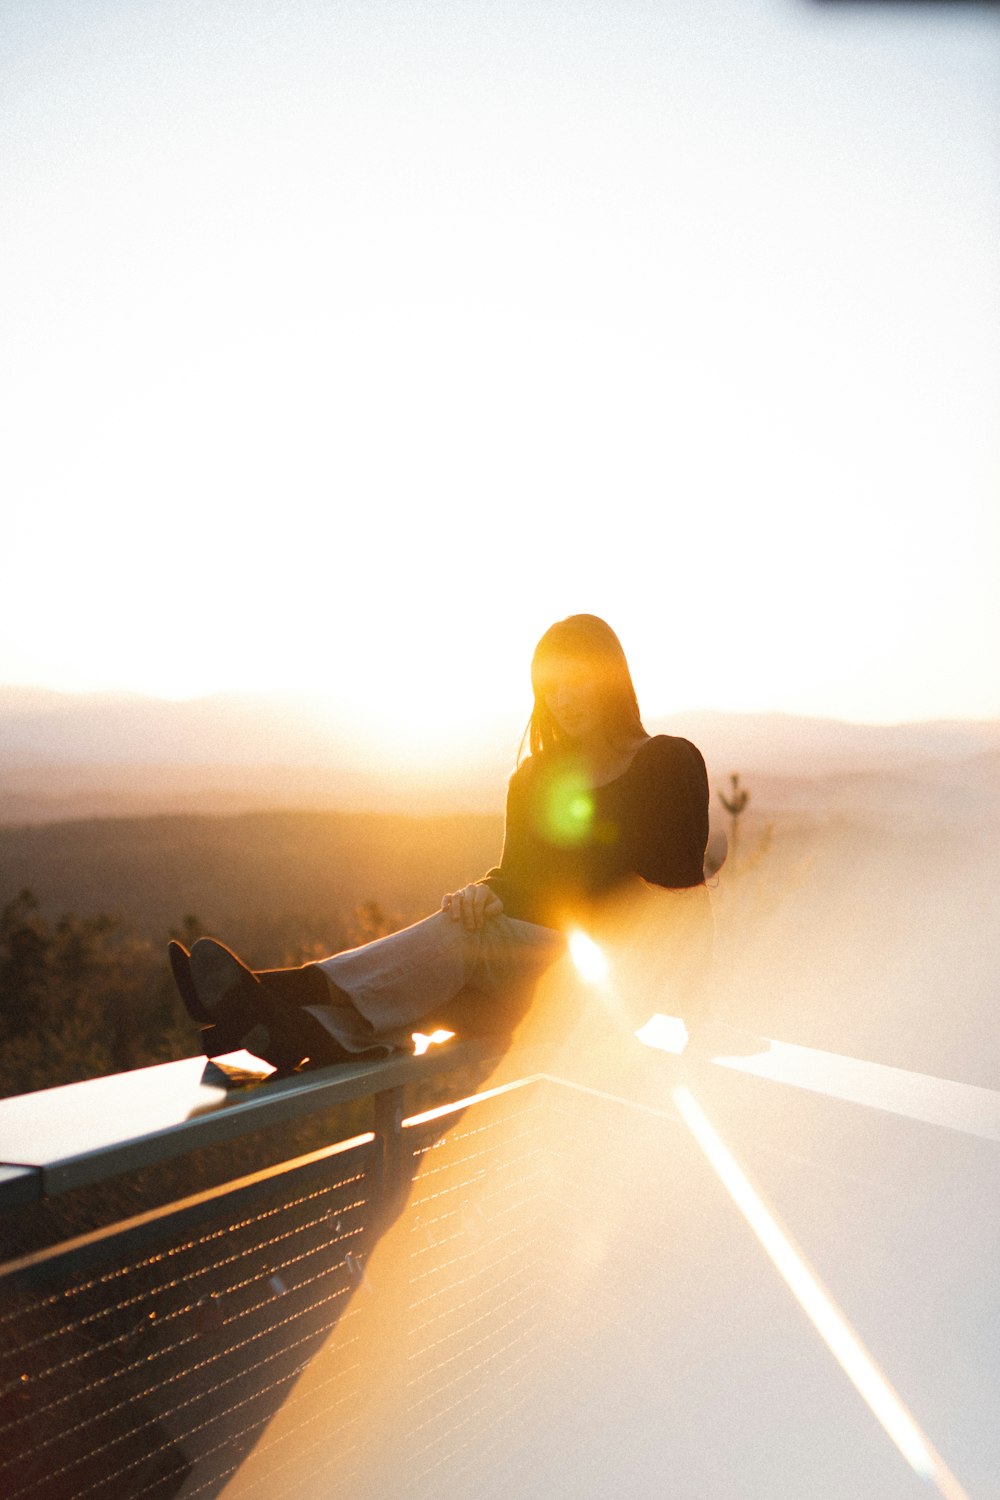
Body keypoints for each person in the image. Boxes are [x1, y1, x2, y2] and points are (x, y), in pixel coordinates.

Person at [168, 614, 711, 1074]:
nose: (564, 699)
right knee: (460, 946)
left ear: (610, 676)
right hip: (524, 980)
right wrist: (482, 893)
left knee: (467, 937)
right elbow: (517, 878)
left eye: (576, 681)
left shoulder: (666, 763)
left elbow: (680, 898)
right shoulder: (535, 779)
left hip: (617, 983)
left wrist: (705, 1007)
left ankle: (267, 994)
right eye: (551, 688)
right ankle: (294, 1032)